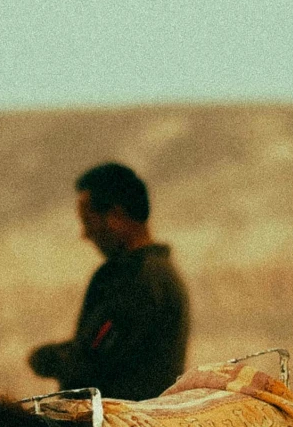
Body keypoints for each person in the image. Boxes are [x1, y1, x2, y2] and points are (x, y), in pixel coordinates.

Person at [28, 162, 190, 403]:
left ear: (115, 216)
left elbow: (94, 360)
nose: (85, 234)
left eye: (88, 222)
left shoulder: (140, 280)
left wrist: (47, 358)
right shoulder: (153, 273)